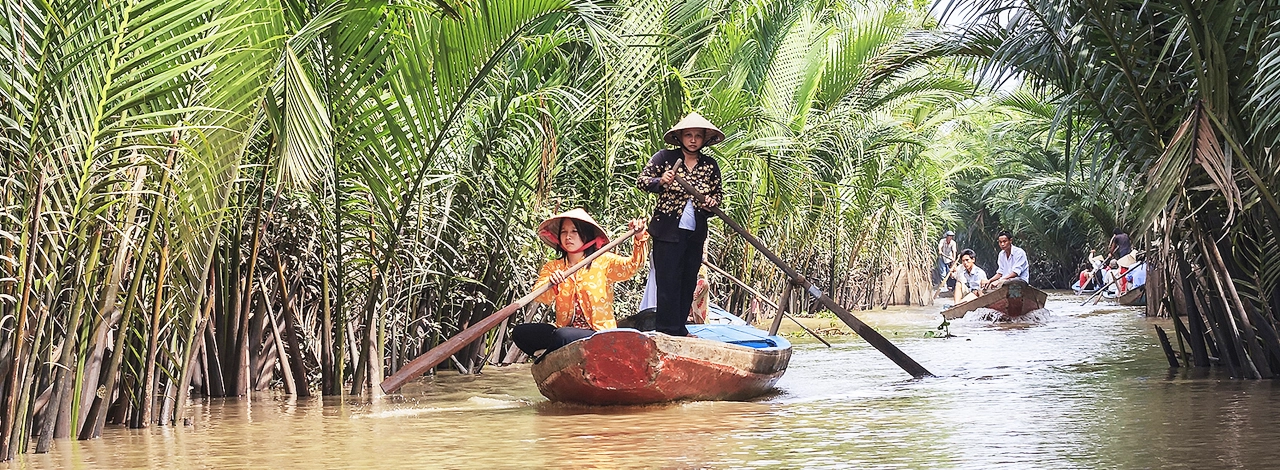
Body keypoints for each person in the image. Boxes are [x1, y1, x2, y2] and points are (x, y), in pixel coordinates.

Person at [511, 209, 648, 359]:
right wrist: (552, 282)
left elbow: (633, 266)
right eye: (563, 232)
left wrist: (639, 238)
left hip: (597, 334)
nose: (568, 236)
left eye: (574, 231)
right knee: (520, 332)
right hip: (566, 332)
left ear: (586, 234)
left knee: (561, 336)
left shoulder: (603, 260)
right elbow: (540, 296)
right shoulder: (553, 267)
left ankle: (549, 354)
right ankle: (551, 354)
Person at [636, 111, 724, 337]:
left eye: (697, 136)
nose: (693, 140)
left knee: (687, 280)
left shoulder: (710, 165)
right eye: (688, 135)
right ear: (681, 137)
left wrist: (711, 202)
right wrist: (660, 181)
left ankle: (680, 328)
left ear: (704, 139)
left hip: (694, 233)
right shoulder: (665, 158)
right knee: (668, 281)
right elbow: (642, 181)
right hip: (667, 231)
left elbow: (717, 196)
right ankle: (666, 330)